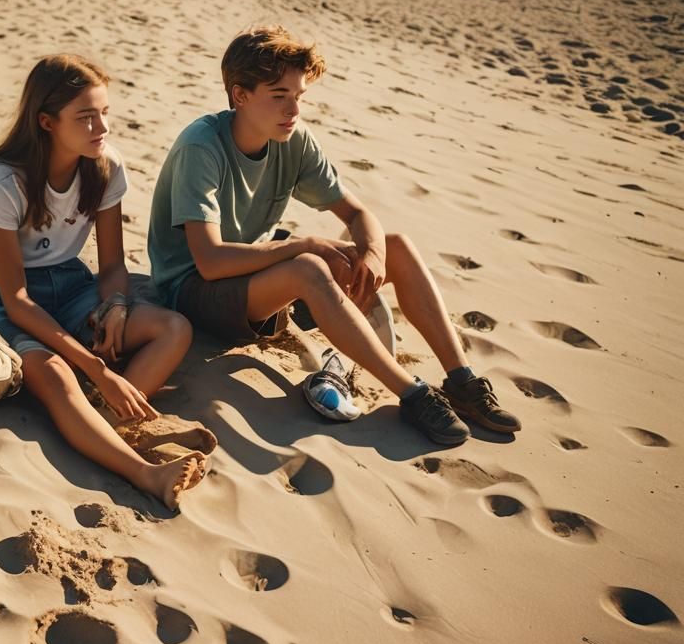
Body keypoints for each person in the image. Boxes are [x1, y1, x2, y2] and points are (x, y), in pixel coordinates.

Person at [146, 25, 521, 447]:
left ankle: (462, 381)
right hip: (192, 291)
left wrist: (373, 256)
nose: (293, 109)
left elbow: (358, 214)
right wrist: (303, 245)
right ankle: (413, 394)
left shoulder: (292, 138)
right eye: (279, 96)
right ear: (240, 95)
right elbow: (211, 261)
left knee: (394, 246)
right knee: (308, 265)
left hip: (255, 276)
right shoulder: (202, 146)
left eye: (299, 96)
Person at [0, 55, 208, 509]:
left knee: (174, 328)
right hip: (0, 294)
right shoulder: (3, 183)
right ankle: (146, 473)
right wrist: (98, 369)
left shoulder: (105, 165)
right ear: (47, 122)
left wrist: (116, 304)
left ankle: (104, 424)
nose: (102, 127)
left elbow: (112, 265)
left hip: (72, 284)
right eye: (86, 117)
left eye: (105, 113)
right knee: (58, 374)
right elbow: (16, 301)